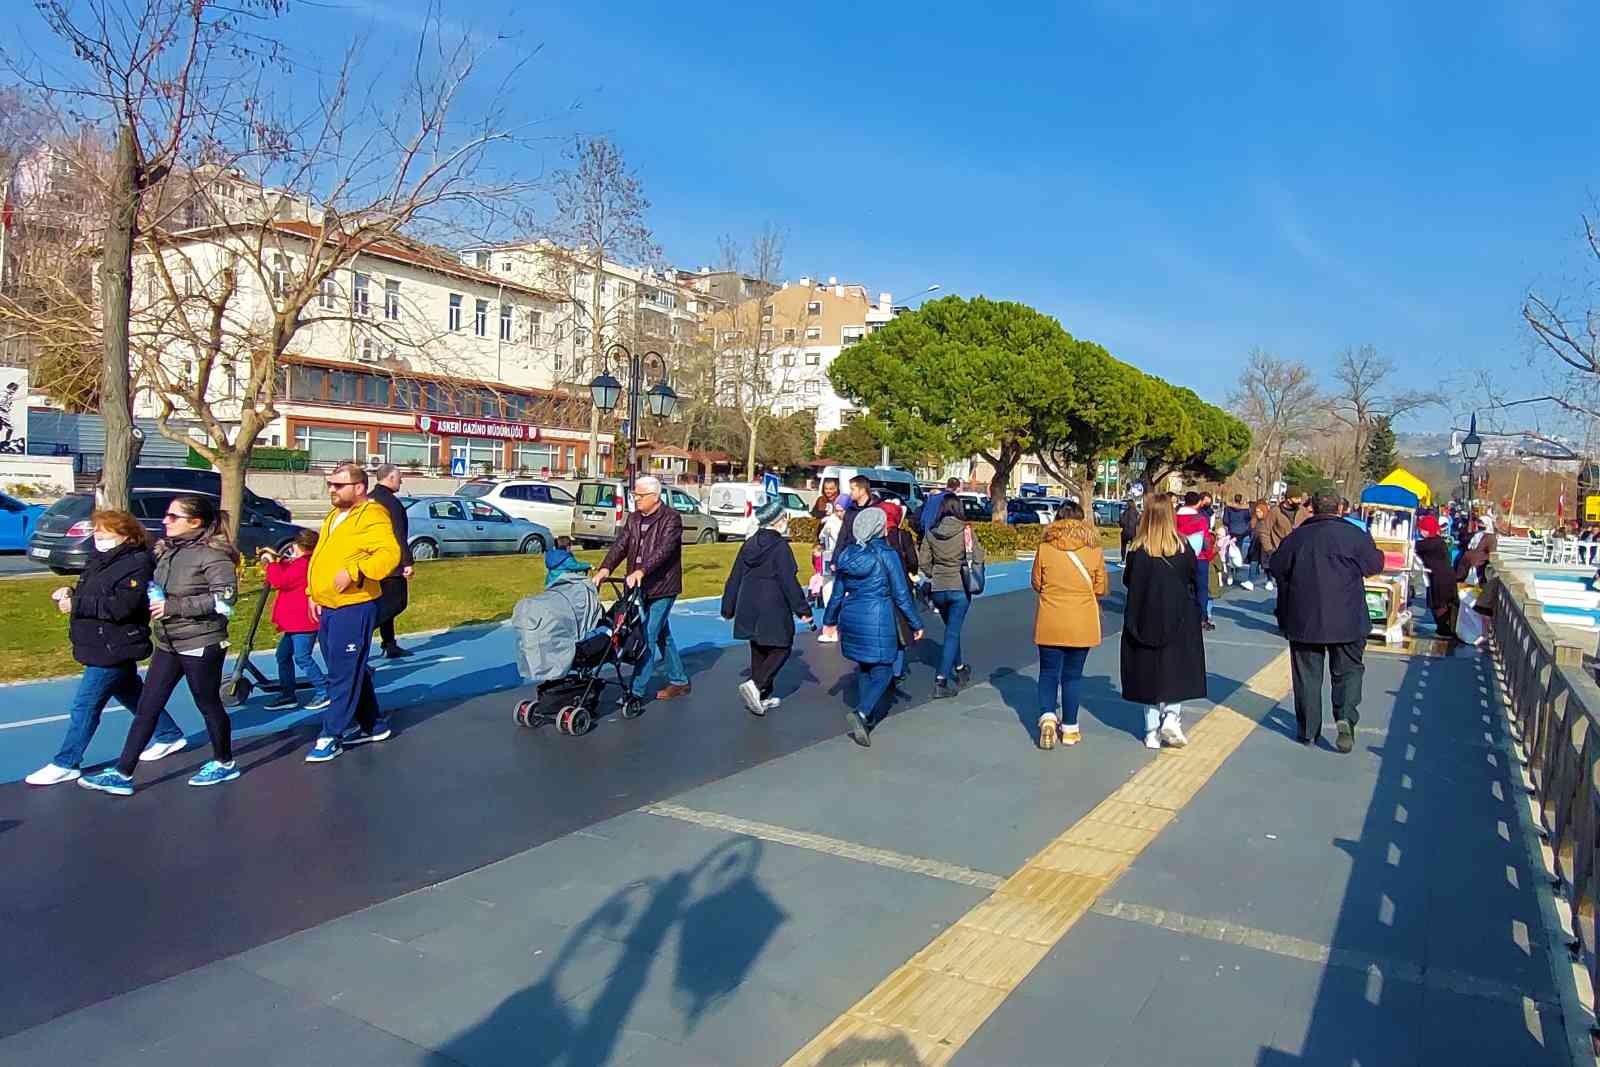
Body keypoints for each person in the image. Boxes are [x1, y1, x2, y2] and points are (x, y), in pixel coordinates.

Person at [80, 495, 242, 795]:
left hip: (201, 641)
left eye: (172, 516)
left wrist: (174, 607)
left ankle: (224, 762)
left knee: (207, 704)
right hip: (168, 642)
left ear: (195, 522)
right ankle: (123, 773)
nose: (165, 521)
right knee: (147, 707)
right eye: (166, 515)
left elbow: (226, 600)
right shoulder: (166, 551)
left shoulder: (214, 555)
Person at [27, 510, 188, 786]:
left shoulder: (138, 563)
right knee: (132, 695)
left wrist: (76, 605)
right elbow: (94, 592)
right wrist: (69, 591)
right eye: (97, 531)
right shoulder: (99, 560)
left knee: (85, 705)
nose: (98, 537)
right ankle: (169, 735)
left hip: (116, 643)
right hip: (99, 641)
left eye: (105, 532)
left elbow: (123, 606)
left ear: (125, 535)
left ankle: (67, 762)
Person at [1268, 489, 1385, 753]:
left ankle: (1309, 729)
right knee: (1349, 671)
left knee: (1307, 675)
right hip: (1347, 617)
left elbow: (1276, 567)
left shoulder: (1297, 538)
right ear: (1340, 509)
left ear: (1312, 509)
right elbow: (1374, 565)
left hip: (1304, 618)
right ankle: (1344, 717)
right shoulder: (1355, 535)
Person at [304, 462, 401, 763]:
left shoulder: (372, 515)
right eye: (330, 484)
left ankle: (331, 734)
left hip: (354, 605)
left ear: (359, 488)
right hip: (330, 605)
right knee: (347, 667)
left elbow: (389, 555)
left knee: (342, 673)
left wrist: (356, 571)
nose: (332, 490)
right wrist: (313, 593)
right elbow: (321, 557)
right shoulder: (335, 515)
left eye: (338, 485)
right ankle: (374, 724)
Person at [824, 507, 924, 747]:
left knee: (865, 666)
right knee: (885, 670)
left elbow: (837, 593)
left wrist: (829, 620)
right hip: (879, 616)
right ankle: (862, 712)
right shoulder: (886, 555)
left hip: (852, 614)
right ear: (880, 528)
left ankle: (865, 715)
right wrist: (915, 623)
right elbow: (901, 594)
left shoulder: (847, 555)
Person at [593, 475, 691, 714]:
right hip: (637, 587)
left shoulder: (671, 519)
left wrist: (642, 570)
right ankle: (679, 680)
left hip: (662, 587)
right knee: (661, 634)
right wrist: (606, 568)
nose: (635, 499)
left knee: (646, 634)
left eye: (639, 495)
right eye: (634, 495)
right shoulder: (634, 518)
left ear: (654, 497)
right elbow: (621, 545)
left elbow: (664, 551)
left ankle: (635, 691)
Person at [1121, 494, 1205, 751]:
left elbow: (1128, 581)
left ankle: (1150, 731)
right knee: (1176, 667)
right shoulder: (1181, 547)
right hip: (1178, 617)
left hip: (1143, 617)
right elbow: (1193, 577)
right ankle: (1171, 716)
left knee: (1147, 671)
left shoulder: (1137, 549)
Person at [721, 497, 812, 716]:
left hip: (748, 600)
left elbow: (735, 576)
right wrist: (802, 609)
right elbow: (788, 580)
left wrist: (728, 606)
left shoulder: (749, 544)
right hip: (773, 602)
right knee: (782, 646)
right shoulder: (781, 547)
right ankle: (756, 684)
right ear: (778, 520)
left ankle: (762, 695)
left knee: (759, 647)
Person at [1031, 501, 1108, 750]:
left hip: (1051, 619)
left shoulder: (1045, 548)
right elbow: (1100, 587)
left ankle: (1047, 719)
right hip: (1081, 621)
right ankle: (1071, 729)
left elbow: (1036, 582)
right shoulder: (1094, 550)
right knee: (1073, 677)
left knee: (1048, 672)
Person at [918, 492, 984, 697]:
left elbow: (924, 562)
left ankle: (960, 668)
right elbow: (979, 556)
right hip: (960, 586)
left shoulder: (931, 531)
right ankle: (941, 680)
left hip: (938, 587)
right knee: (952, 633)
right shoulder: (965, 531)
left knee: (951, 631)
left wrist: (934, 573)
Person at [261, 529, 331, 712]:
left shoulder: (304, 565)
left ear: (298, 546)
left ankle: (323, 690)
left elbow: (281, 581)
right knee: (283, 655)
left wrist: (272, 564)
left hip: (303, 622)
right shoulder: (304, 562)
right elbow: (288, 571)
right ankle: (287, 693)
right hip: (295, 622)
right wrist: (278, 561)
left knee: (302, 657)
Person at [369, 463, 414, 659]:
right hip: (390, 561)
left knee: (383, 601)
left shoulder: (369, 499)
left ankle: (389, 643)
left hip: (371, 560)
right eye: (399, 477)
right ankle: (362, 630)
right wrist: (406, 562)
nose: (401, 481)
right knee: (397, 603)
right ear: (390, 478)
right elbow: (398, 534)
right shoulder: (391, 503)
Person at [1175, 492, 1216, 631]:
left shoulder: (1175, 517)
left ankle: (1180, 616)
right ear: (1198, 503)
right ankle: (1201, 618)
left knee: (1181, 587)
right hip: (1200, 558)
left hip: (1179, 556)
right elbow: (1206, 541)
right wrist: (1210, 555)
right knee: (1201, 589)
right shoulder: (1200, 519)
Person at [1415, 514, 1459, 639]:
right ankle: (1444, 628)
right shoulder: (1438, 541)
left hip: (1441, 578)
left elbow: (1415, 547)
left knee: (1440, 603)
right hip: (1443, 576)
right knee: (1441, 603)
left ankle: (1444, 629)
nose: (1420, 531)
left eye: (1421, 529)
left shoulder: (1431, 543)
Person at [1257, 491, 1304, 592]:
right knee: (1282, 584)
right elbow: (1264, 531)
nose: (1299, 501)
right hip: (1280, 550)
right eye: (1296, 498)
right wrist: (1269, 549)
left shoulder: (1302, 512)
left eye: (1300, 498)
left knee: (1296, 584)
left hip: (1299, 552)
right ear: (1288, 499)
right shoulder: (1275, 512)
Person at [816, 501, 846, 643]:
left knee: (843, 594)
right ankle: (830, 629)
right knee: (829, 593)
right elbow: (821, 538)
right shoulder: (831, 521)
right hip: (830, 559)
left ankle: (841, 627)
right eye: (837, 510)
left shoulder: (851, 521)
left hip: (845, 562)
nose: (839, 513)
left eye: (842, 510)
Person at [834, 475, 877, 554]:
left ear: (862, 490)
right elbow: (842, 537)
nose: (850, 493)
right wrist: (835, 559)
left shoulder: (875, 510)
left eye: (853, 489)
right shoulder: (850, 511)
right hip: (850, 555)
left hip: (869, 557)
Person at [1118, 496, 1141, 561]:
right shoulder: (1137, 513)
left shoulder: (1124, 512)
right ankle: (1131, 559)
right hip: (1134, 532)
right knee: (1132, 547)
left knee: (1123, 546)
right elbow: (1138, 522)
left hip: (1125, 532)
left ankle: (1123, 559)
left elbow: (1121, 523)